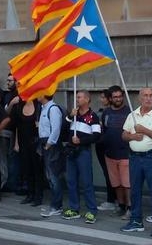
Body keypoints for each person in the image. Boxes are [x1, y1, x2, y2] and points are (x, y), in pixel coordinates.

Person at [120, 87, 152, 238]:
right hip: (134, 157)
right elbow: (124, 135)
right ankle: (136, 221)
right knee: (135, 190)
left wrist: (144, 130)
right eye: (145, 96)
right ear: (139, 98)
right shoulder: (132, 115)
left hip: (151, 157)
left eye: (151, 95)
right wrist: (133, 137)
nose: (149, 98)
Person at [62, 90, 101, 224]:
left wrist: (82, 141)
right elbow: (63, 129)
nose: (76, 99)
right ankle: (74, 208)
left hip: (83, 151)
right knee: (71, 181)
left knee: (86, 182)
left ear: (87, 99)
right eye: (76, 97)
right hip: (71, 151)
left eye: (79, 97)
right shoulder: (73, 114)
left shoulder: (93, 116)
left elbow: (96, 135)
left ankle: (92, 210)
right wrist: (69, 117)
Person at [101, 85, 132, 219]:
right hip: (110, 154)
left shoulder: (129, 112)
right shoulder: (106, 112)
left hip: (126, 154)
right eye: (115, 97)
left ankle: (130, 208)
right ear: (110, 99)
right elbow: (104, 129)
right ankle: (121, 206)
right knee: (116, 183)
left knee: (127, 184)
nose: (118, 99)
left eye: (120, 96)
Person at [9, 94, 42, 206]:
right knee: (27, 169)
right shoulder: (19, 106)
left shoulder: (38, 106)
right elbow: (17, 126)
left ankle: (38, 196)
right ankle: (30, 194)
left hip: (35, 142)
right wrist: (16, 143)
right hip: (23, 142)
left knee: (37, 169)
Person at [39, 94, 66, 218]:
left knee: (54, 176)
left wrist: (49, 144)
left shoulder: (53, 109)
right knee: (49, 176)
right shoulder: (44, 108)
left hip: (51, 146)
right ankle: (54, 204)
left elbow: (55, 129)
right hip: (45, 143)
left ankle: (57, 206)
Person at [96, 88, 117, 211]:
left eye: (103, 97)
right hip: (101, 144)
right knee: (107, 172)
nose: (101, 100)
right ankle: (113, 198)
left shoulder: (110, 113)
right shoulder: (101, 112)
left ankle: (112, 199)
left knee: (110, 173)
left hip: (108, 145)